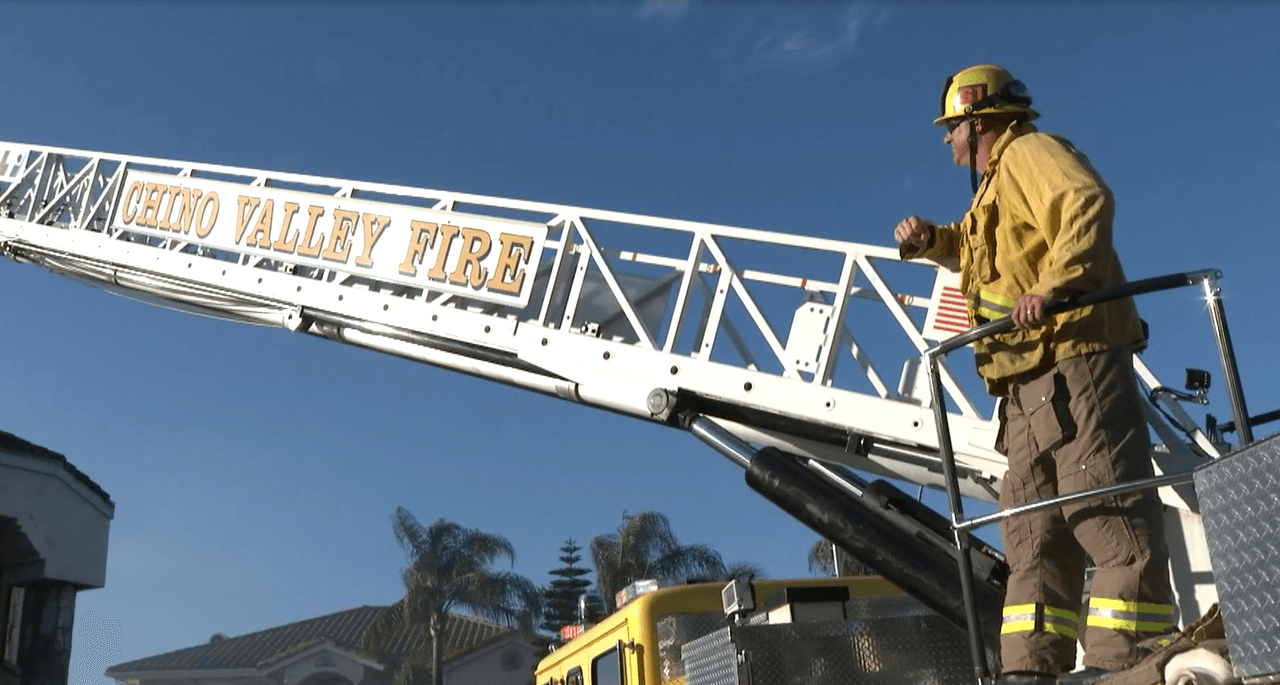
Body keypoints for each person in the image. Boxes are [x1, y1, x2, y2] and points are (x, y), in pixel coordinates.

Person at [893, 64, 1176, 685]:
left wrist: (1053, 289)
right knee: (1034, 531)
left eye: (952, 128)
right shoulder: (991, 189)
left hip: (1075, 358)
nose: (946, 141)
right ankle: (1028, 671)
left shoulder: (1030, 153)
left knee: (1105, 508)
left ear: (979, 120)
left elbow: (1085, 201)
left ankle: (1124, 661)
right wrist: (929, 240)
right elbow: (972, 249)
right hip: (1026, 384)